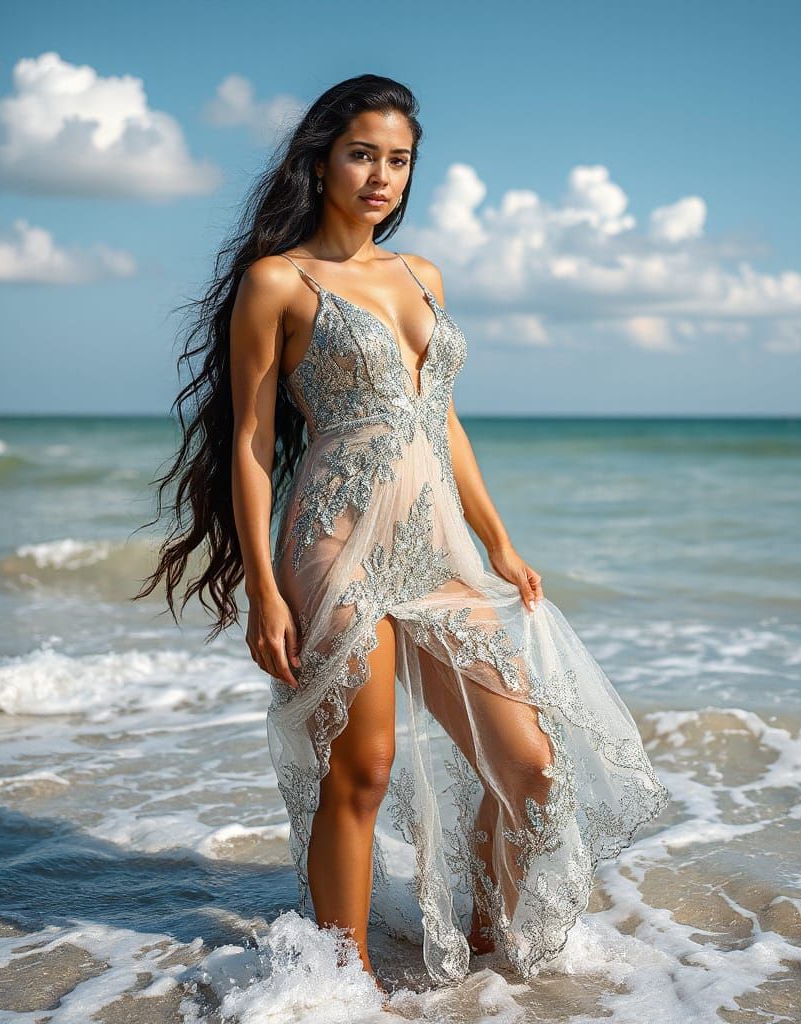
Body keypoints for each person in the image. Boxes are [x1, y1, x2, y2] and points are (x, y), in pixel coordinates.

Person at [137, 73, 671, 1001]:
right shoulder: (279, 282)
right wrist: (263, 589)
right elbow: (255, 445)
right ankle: (341, 981)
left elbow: (442, 419)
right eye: (362, 154)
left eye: (399, 159)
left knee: (532, 765)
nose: (381, 175)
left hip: (439, 548)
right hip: (333, 542)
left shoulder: (423, 274)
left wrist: (499, 537)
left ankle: (491, 954)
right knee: (367, 764)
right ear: (321, 158)